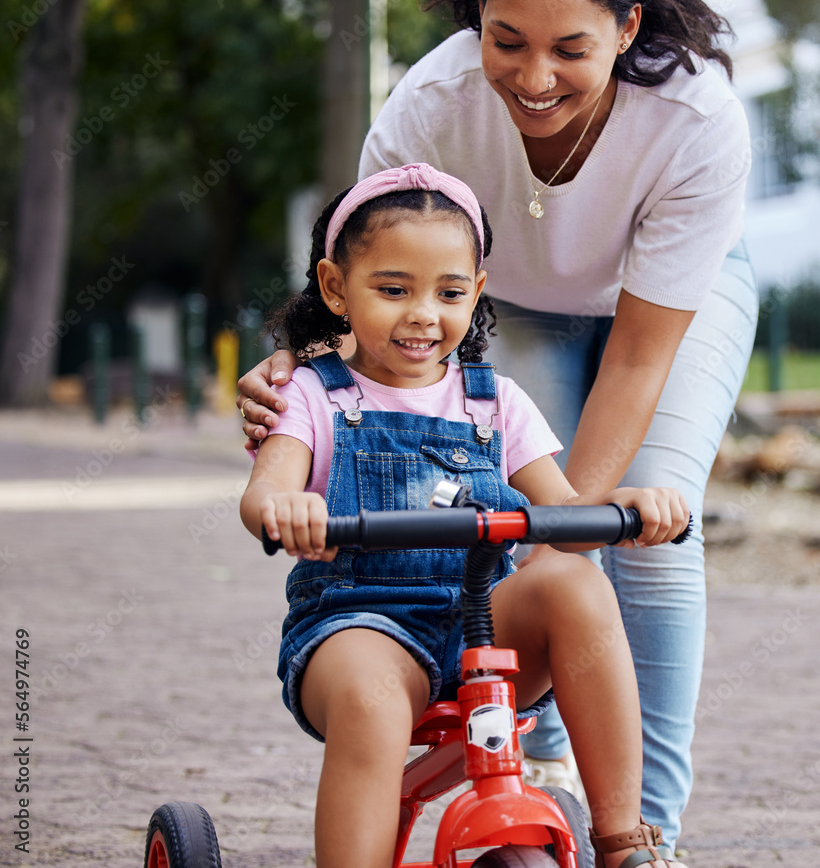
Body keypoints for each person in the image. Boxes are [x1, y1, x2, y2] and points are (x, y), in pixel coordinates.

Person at [238, 0, 757, 857]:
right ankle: (534, 765)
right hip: (502, 298)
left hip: (666, 300)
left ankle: (640, 835)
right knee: (513, 557)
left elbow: (632, 369)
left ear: (627, 28)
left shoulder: (692, 116)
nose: (535, 76)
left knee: (609, 560)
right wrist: (300, 369)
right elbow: (372, 261)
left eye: (570, 49)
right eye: (506, 41)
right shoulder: (433, 104)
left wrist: (630, 510)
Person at [239, 163, 691, 868]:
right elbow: (265, 494)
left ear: (476, 293)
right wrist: (287, 507)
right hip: (359, 624)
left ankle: (625, 842)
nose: (423, 313)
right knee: (372, 697)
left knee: (576, 583)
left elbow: (562, 508)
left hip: (483, 622)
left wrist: (621, 507)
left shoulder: (496, 402)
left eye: (449, 292)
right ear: (336, 289)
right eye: (393, 290)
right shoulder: (311, 394)